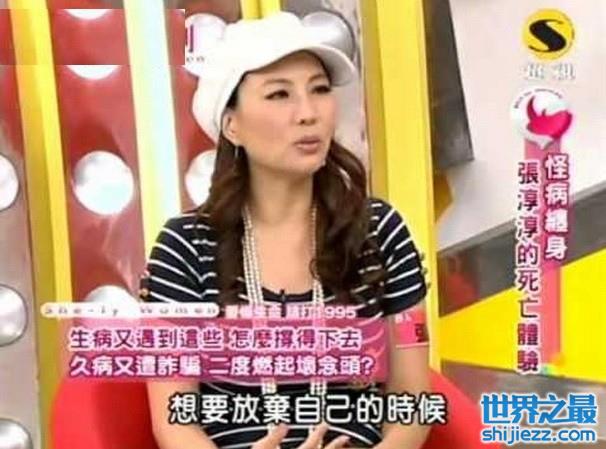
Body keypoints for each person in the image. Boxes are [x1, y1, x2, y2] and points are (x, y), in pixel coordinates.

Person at [141, 11, 430, 449]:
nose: (308, 113)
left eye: (320, 90)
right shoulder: (184, 248)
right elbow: (174, 423)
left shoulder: (380, 230)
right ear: (231, 124)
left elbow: (413, 403)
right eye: (279, 94)